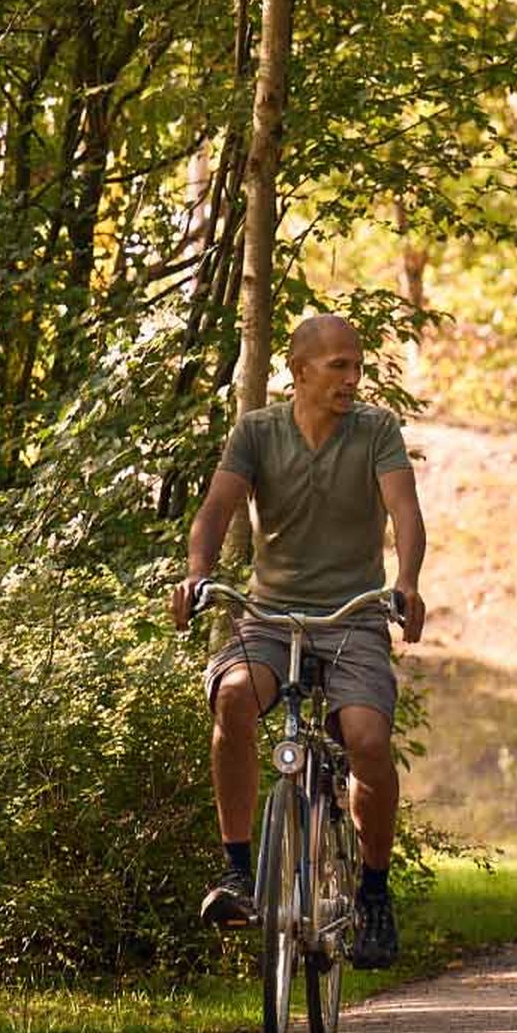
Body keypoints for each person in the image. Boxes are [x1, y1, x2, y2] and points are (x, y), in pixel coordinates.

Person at [171, 311, 428, 964]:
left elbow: (405, 512)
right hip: (271, 617)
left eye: (357, 365)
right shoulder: (257, 433)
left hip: (355, 618)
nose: (352, 377)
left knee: (367, 739)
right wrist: (198, 576)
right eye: (338, 365)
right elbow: (215, 512)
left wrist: (409, 582)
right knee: (232, 699)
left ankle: (373, 893)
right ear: (300, 370)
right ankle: (237, 870)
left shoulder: (376, 431)